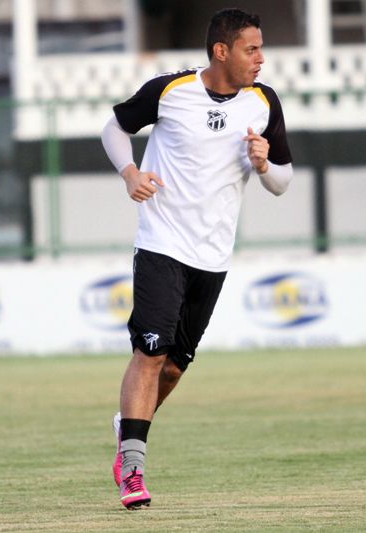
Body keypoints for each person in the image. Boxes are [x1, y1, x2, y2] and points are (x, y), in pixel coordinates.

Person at [100, 7, 293, 509]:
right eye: (252, 48)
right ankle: (134, 469)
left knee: (174, 368)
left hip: (213, 256)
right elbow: (113, 128)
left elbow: (283, 182)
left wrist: (264, 163)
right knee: (150, 353)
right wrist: (128, 173)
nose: (260, 59)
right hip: (162, 244)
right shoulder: (170, 91)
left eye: (261, 48)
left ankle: (127, 431)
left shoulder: (263, 102)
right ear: (221, 51)